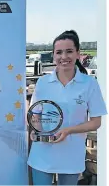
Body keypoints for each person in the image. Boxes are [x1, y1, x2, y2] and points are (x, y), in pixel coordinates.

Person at [27, 30, 107, 185]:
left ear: (78, 54)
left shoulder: (89, 84)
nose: (64, 57)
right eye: (59, 52)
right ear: (53, 55)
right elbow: (35, 113)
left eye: (69, 51)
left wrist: (69, 131)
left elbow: (96, 122)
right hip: (42, 153)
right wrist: (37, 131)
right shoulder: (43, 83)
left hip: (71, 155)